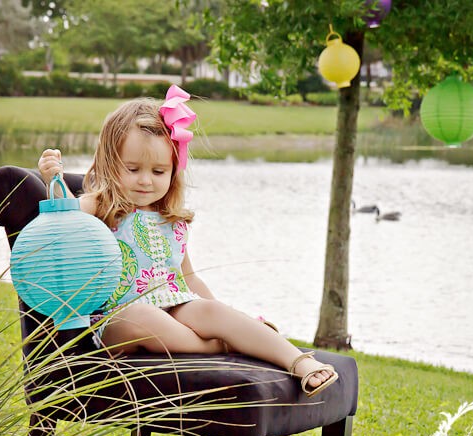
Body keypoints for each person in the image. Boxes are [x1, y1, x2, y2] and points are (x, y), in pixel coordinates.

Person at [37, 85, 337, 397]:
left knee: (209, 311)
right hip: (116, 321)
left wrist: (219, 313)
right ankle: (219, 345)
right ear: (109, 163)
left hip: (173, 308)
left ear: (173, 171)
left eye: (158, 171)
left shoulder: (171, 220)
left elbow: (188, 278)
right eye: (132, 169)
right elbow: (66, 221)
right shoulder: (100, 206)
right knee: (143, 316)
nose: (145, 180)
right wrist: (53, 180)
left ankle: (298, 361)